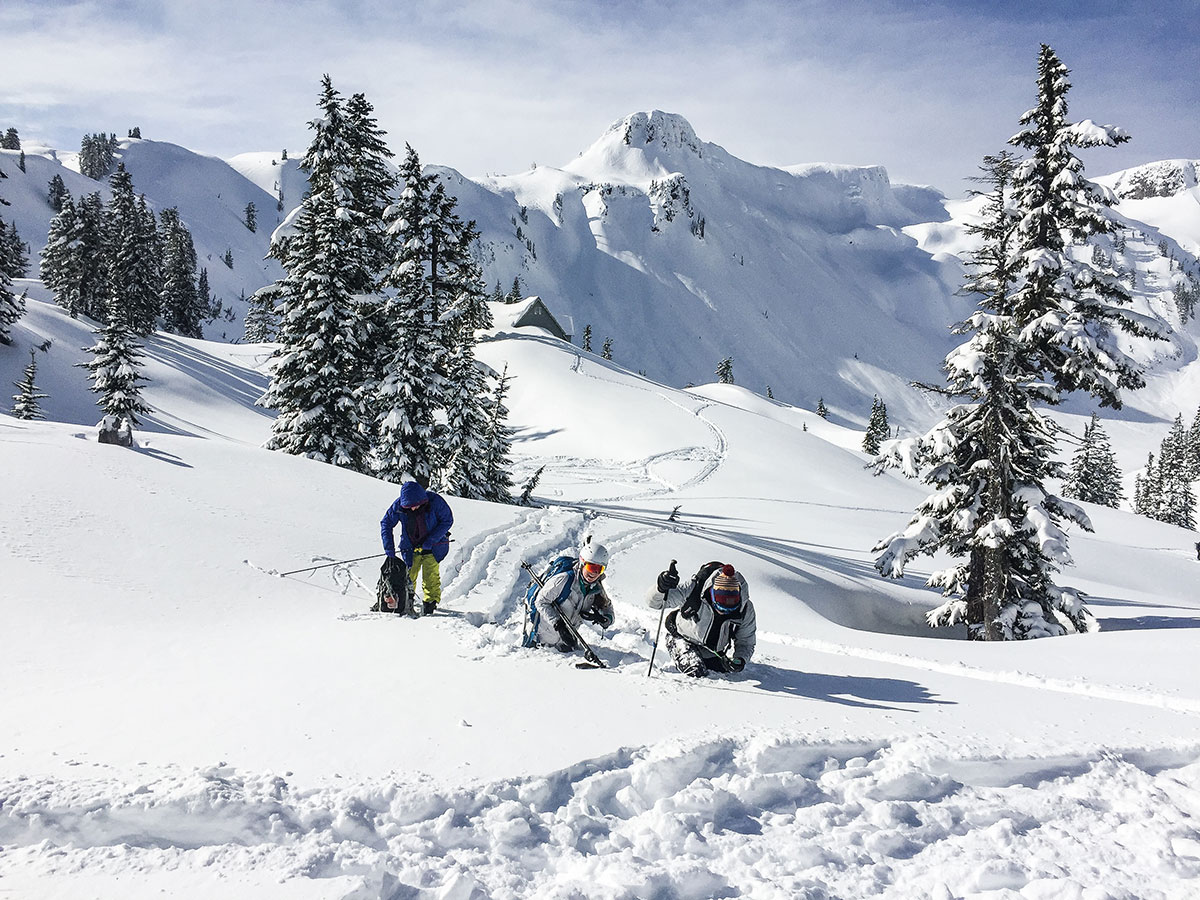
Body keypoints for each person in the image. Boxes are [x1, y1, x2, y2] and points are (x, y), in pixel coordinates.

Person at [650, 561, 756, 677]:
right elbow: (656, 603)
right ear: (712, 593)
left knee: (723, 672)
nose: (723, 610)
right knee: (695, 671)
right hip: (682, 637)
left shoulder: (745, 609)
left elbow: (746, 642)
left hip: (711, 649)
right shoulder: (694, 589)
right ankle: (674, 643)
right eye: (720, 603)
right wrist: (660, 588)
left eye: (730, 605)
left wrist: (740, 659)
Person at [380, 481, 453, 615]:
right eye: (409, 507)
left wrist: (431, 540)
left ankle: (430, 603)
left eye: (415, 506)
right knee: (408, 575)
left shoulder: (435, 501)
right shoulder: (399, 506)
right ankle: (407, 600)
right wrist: (389, 547)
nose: (413, 509)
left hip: (433, 546)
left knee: (430, 575)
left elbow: (447, 521)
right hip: (410, 547)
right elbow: (386, 523)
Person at [533, 542, 615, 652]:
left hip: (567, 644)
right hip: (542, 643)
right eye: (591, 567)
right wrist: (558, 624)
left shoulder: (596, 588)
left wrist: (604, 619)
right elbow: (541, 601)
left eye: (599, 569)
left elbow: (607, 607)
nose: (594, 573)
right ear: (582, 562)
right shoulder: (564, 579)